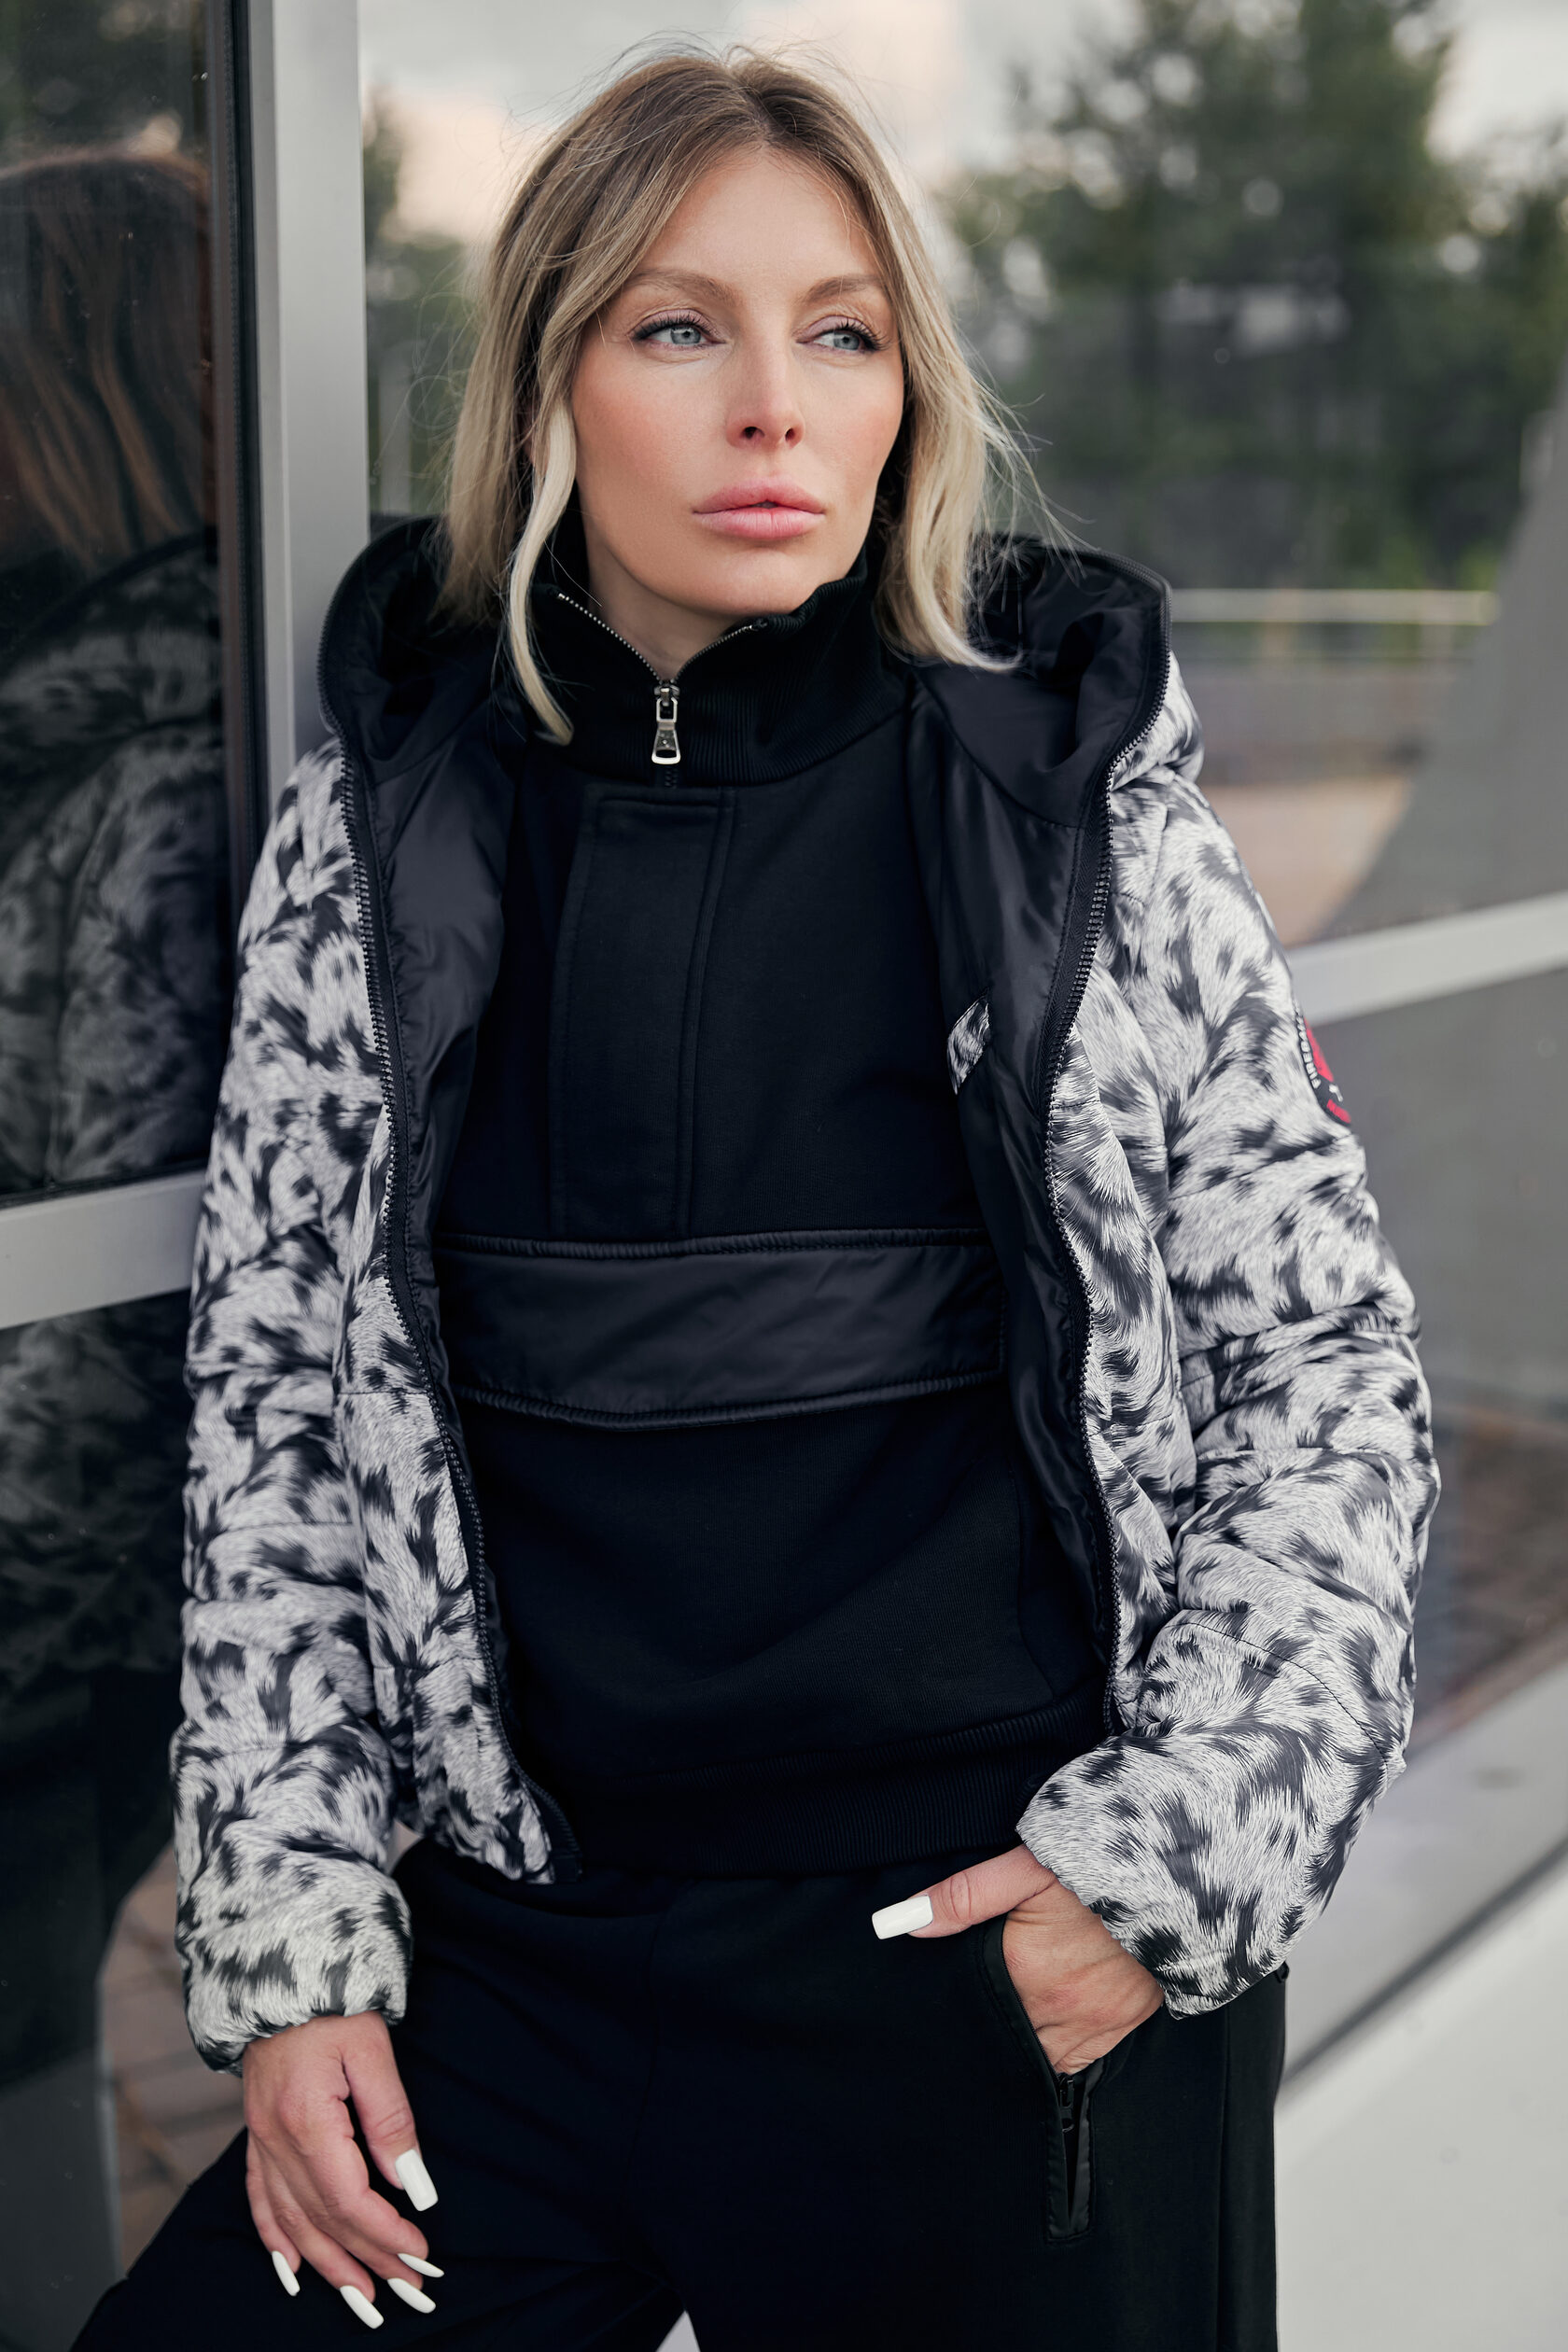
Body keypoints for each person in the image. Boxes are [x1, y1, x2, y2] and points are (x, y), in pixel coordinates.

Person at [76, 49, 1436, 2352]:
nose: (775, 408)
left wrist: (1163, 1865)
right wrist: (299, 1954)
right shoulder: (389, 813)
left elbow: (1322, 1364)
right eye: (680, 326)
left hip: (991, 1954)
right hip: (513, 1952)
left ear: (908, 392)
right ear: (553, 381)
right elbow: (281, 1412)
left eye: (844, 332)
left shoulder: (1064, 800)